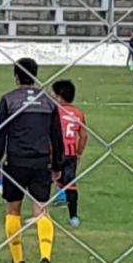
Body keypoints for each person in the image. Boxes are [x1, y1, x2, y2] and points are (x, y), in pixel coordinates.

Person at [0, 58, 64, 263]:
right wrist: (58, 165)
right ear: (34, 75)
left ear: (16, 76)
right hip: (41, 162)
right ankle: (45, 259)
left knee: (13, 211)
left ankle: (18, 262)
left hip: (16, 163)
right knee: (41, 211)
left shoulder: (8, 100)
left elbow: (0, 134)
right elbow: (56, 136)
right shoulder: (48, 102)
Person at [52, 80, 87, 228]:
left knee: (47, 180)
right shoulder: (78, 113)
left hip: (56, 152)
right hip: (71, 153)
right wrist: (79, 153)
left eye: (54, 94)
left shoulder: (55, 111)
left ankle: (42, 213)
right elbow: (84, 135)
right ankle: (73, 217)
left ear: (59, 97)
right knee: (71, 183)